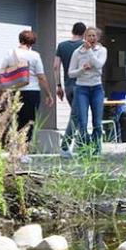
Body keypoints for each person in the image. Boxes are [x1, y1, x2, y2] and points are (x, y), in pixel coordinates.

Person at [5, 29, 54, 143]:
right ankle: (23, 152)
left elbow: (3, 74)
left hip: (14, 91)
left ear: (20, 40)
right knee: (29, 122)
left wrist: (0, 93)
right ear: (32, 42)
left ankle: (14, 149)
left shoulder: (10, 53)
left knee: (15, 120)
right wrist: (48, 94)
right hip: (32, 91)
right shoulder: (35, 55)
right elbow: (41, 77)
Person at [70, 27, 108, 153]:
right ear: (84, 37)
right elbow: (71, 73)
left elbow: (98, 65)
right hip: (82, 88)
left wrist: (90, 51)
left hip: (96, 87)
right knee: (82, 120)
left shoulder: (102, 50)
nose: (92, 38)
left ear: (97, 38)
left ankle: (97, 149)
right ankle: (83, 149)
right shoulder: (77, 52)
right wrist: (81, 69)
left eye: (94, 36)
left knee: (97, 121)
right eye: (89, 36)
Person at [54, 22, 87, 157]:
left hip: (68, 87)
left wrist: (58, 86)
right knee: (75, 117)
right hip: (82, 86)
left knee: (78, 116)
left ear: (72, 31)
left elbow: (56, 66)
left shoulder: (62, 46)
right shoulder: (85, 46)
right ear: (84, 33)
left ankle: (82, 147)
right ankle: (65, 147)